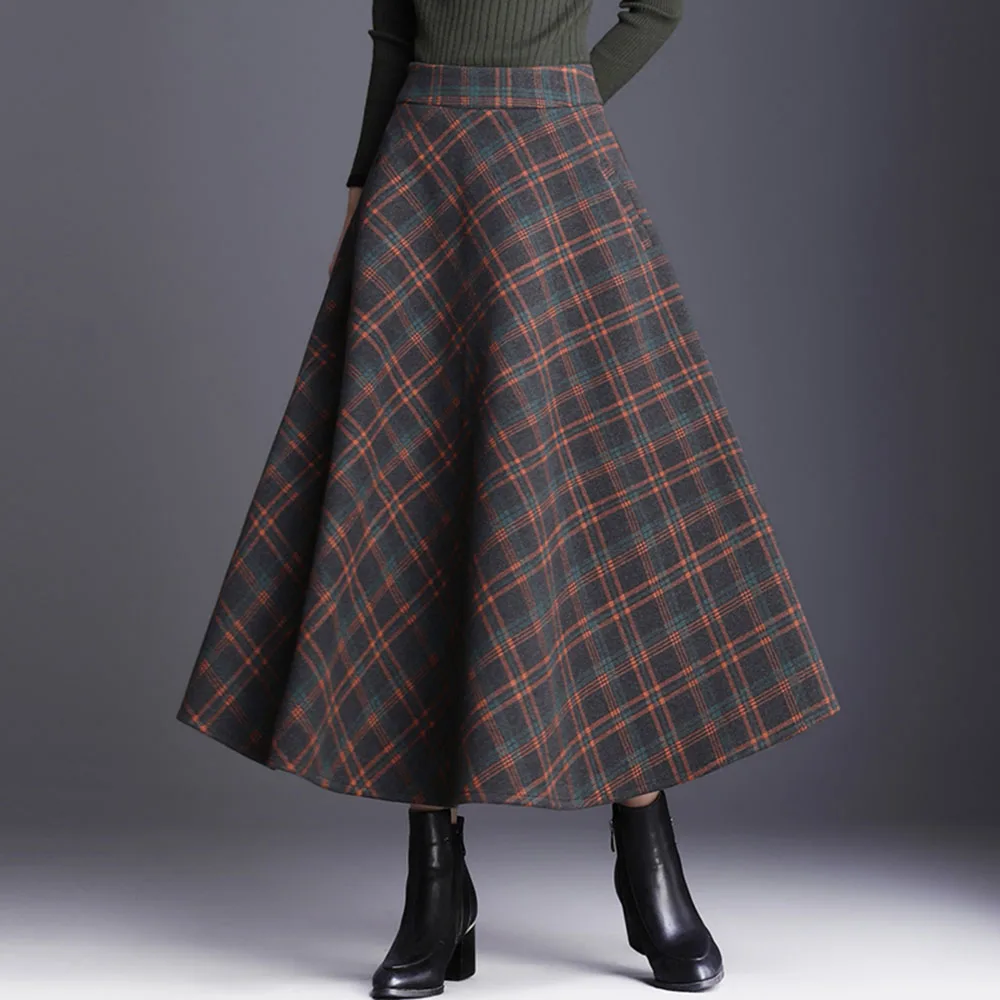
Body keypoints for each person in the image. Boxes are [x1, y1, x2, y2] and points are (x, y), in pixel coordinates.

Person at [175, 2, 841, 996]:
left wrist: (561, 97)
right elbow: (394, 34)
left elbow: (658, 7)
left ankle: (644, 852)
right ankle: (436, 887)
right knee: (415, 500)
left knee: (605, 505)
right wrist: (361, 184)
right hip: (423, 172)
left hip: (556, 172)